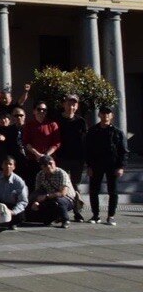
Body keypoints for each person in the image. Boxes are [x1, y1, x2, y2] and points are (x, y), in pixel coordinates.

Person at [84, 105, 129, 226]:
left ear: (112, 116)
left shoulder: (117, 132)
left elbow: (123, 150)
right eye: (103, 113)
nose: (105, 116)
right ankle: (95, 215)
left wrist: (121, 166)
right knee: (94, 191)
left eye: (108, 113)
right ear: (99, 115)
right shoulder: (93, 131)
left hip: (112, 165)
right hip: (96, 165)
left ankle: (111, 216)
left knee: (113, 192)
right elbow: (87, 150)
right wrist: (88, 166)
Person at [56, 94, 88, 222]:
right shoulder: (57, 120)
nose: (71, 106)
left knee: (75, 186)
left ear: (77, 106)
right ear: (64, 104)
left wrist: (85, 159)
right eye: (69, 103)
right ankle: (60, 212)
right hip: (62, 157)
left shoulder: (81, 121)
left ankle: (77, 211)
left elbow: (85, 141)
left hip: (77, 159)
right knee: (62, 185)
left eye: (74, 104)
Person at [29, 155, 75, 228]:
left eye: (50, 163)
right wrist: (36, 201)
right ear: (42, 167)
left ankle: (65, 220)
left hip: (66, 199)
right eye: (45, 165)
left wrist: (46, 196)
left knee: (58, 201)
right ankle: (54, 217)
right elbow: (38, 191)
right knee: (45, 220)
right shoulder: (40, 175)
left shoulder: (61, 173)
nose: (49, 166)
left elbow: (63, 193)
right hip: (50, 198)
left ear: (54, 163)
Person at [0, 157, 28, 232]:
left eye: (10, 164)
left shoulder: (19, 182)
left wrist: (12, 212)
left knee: (21, 215)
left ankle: (12, 223)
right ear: (2, 165)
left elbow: (23, 201)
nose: (8, 166)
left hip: (12, 206)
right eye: (6, 164)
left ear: (14, 167)